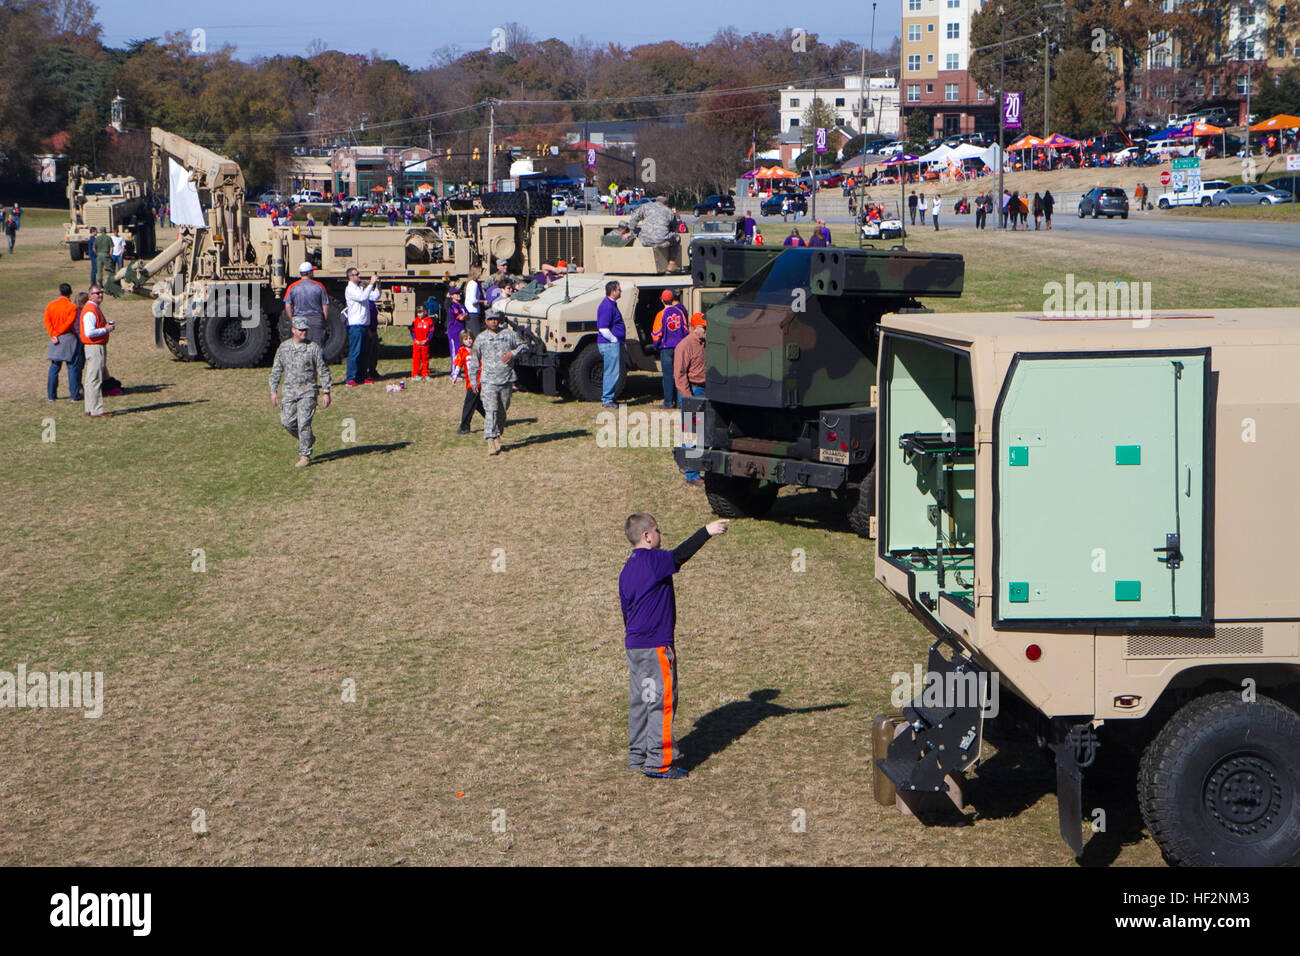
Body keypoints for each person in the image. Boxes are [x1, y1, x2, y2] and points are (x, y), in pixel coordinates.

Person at [618, 512, 729, 779]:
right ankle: (659, 761)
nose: (660, 535)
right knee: (661, 701)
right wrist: (707, 531)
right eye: (658, 531)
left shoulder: (626, 569)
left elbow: (626, 611)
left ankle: (638, 755)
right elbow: (680, 555)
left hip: (635, 647)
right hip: (656, 647)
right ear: (647, 536)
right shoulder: (654, 560)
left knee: (641, 701)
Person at [269, 316, 332, 467]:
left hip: (308, 392)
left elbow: (322, 370)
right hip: (290, 392)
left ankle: (305, 455)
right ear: (293, 330)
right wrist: (273, 390)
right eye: (301, 330)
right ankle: (308, 438)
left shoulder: (314, 348)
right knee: (287, 422)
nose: (304, 332)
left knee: (304, 423)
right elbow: (276, 370)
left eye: (305, 330)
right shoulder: (284, 348)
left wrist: (326, 391)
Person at [467, 312, 529, 456]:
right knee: (491, 410)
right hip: (488, 381)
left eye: (495, 319)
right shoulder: (481, 339)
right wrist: (473, 380)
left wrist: (513, 354)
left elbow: (524, 345)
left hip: (506, 379)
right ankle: (490, 439)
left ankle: (497, 434)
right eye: (490, 320)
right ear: (485, 321)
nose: (493, 322)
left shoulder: (508, 334)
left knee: (502, 410)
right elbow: (474, 360)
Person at [674, 313, 708, 487]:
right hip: (692, 391)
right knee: (692, 434)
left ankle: (700, 467)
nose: (706, 330)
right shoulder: (684, 346)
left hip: (705, 390)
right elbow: (679, 375)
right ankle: (692, 474)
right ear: (694, 328)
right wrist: (688, 398)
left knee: (704, 432)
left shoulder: (704, 344)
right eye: (704, 328)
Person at [651, 289, 689, 409]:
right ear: (673, 299)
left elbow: (656, 333)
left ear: (662, 300)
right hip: (679, 347)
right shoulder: (680, 312)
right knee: (680, 375)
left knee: (667, 376)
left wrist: (656, 345)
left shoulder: (660, 314)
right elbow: (686, 330)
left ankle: (668, 402)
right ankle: (681, 402)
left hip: (666, 348)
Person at [44, 283, 82, 402]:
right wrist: (59, 332)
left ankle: (51, 395)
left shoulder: (51, 305)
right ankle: (74, 395)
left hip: (55, 339)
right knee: (72, 367)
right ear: (70, 293)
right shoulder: (72, 307)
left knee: (54, 367)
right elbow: (69, 323)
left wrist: (53, 333)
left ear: (59, 292)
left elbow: (47, 320)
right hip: (68, 338)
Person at [79, 285, 113, 418]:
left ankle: (89, 408)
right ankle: (97, 411)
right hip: (94, 347)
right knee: (95, 379)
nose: (100, 295)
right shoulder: (90, 310)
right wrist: (106, 330)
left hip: (94, 346)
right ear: (90, 295)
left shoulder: (92, 308)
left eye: (101, 293)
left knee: (90, 379)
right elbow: (89, 332)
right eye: (97, 293)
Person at [344, 268, 380, 386]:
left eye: (358, 274)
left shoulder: (360, 288)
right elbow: (362, 297)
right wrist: (370, 283)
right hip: (355, 325)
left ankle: (362, 376)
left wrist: (378, 285)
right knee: (355, 352)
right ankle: (350, 378)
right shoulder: (350, 289)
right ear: (350, 277)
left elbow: (374, 297)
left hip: (364, 324)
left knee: (364, 352)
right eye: (356, 274)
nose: (359, 276)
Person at [283, 262, 330, 349]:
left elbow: (287, 305)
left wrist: (292, 320)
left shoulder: (292, 287)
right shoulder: (319, 286)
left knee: (300, 349)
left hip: (299, 321)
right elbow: (325, 305)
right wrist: (324, 321)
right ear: (310, 273)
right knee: (317, 349)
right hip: (316, 320)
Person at [627, 196, 680, 271]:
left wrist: (631, 230)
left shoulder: (645, 207)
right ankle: (671, 264)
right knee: (677, 238)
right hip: (661, 241)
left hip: (645, 240)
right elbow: (674, 227)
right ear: (666, 204)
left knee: (640, 235)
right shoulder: (669, 211)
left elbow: (634, 217)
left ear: (655, 201)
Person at [596, 280, 625, 409]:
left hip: (611, 344)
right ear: (613, 291)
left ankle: (609, 398)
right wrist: (614, 340)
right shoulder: (607, 306)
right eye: (619, 289)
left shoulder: (611, 305)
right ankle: (607, 400)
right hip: (609, 345)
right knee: (612, 372)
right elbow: (603, 328)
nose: (620, 291)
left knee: (613, 371)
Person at [453, 329, 485, 433]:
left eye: (470, 338)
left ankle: (464, 426)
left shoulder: (477, 349)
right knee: (475, 402)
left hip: (478, 380)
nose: (469, 341)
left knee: (469, 403)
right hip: (469, 380)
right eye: (466, 339)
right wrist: (455, 376)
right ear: (462, 341)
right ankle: (493, 418)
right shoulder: (462, 351)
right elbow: (458, 363)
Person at [410, 305, 434, 381]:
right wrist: (415, 339)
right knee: (416, 359)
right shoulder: (415, 321)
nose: (419, 314)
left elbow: (431, 332)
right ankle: (415, 374)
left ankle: (425, 373)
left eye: (421, 312)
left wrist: (427, 339)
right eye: (418, 313)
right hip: (417, 343)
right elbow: (412, 331)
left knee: (425, 359)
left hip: (425, 343)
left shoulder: (429, 321)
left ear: (425, 312)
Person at [445, 285, 466, 362]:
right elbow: (461, 317)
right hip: (454, 331)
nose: (459, 295)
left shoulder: (461, 305)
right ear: (451, 296)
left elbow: (468, 317)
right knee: (455, 352)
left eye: (459, 293)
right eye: (456, 294)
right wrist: (464, 315)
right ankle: (454, 373)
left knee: (461, 352)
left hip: (461, 330)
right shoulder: (453, 306)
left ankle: (458, 371)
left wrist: (464, 316)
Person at [463, 265, 485, 338]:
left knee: (470, 336)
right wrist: (483, 301)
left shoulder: (469, 283)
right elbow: (473, 300)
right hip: (473, 313)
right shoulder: (474, 284)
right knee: (476, 336)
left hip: (469, 312)